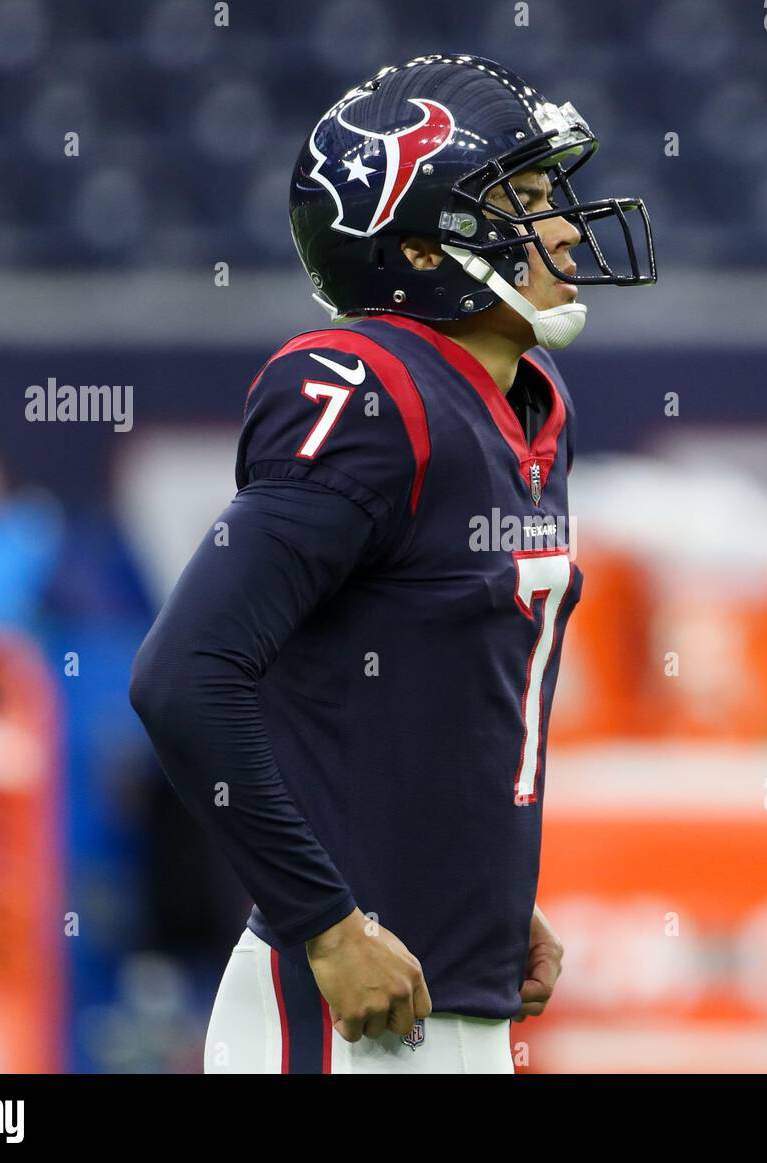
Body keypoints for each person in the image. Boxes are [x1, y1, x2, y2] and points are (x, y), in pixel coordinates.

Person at [129, 52, 656, 1074]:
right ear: (417, 249)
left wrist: (484, 892)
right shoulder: (366, 393)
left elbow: (416, 693)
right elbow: (184, 676)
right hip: (349, 1018)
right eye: (524, 201)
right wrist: (325, 923)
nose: (561, 228)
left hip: (452, 995)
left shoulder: (529, 395)